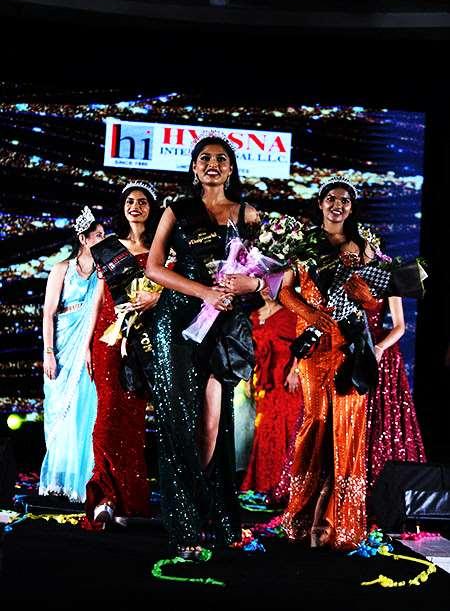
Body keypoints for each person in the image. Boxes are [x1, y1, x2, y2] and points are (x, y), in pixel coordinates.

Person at [146, 135, 261, 559]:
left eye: (221, 159)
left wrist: (250, 283)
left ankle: (214, 511)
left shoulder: (247, 213)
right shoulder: (177, 209)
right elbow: (153, 267)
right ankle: (186, 526)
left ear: (231, 168)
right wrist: (203, 291)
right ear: (194, 167)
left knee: (214, 423)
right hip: (177, 320)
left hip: (222, 323)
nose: (213, 164)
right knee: (178, 419)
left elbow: (269, 277)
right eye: (205, 158)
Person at [278, 176, 380, 551]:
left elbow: (374, 303)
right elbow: (282, 290)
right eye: (331, 199)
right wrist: (309, 313)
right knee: (317, 421)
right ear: (320, 204)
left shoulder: (363, 247)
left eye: (345, 201)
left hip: (350, 345)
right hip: (316, 343)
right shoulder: (304, 244)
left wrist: (364, 294)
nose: (338, 205)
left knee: (347, 426)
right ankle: (304, 514)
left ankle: (337, 520)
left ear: (351, 208)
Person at [82, 181, 161, 529]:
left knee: (131, 419)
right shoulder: (109, 248)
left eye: (142, 202)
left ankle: (129, 499)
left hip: (142, 339)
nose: (135, 206)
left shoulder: (162, 250)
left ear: (152, 209)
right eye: (130, 201)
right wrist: (87, 344)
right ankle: (104, 496)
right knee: (105, 417)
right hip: (108, 337)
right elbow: (99, 297)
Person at [40, 206, 104, 502]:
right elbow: (49, 313)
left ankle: (83, 480)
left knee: (85, 408)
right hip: (64, 343)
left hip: (89, 345)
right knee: (62, 410)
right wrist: (49, 352)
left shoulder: (103, 273)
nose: (102, 239)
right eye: (98, 235)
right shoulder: (62, 269)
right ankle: (60, 478)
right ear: (83, 238)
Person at [240, 286, 302, 495]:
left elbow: (304, 344)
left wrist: (295, 371)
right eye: (263, 285)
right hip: (264, 381)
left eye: (272, 285)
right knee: (265, 429)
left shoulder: (291, 315)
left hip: (286, 381)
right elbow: (250, 352)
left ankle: (284, 485)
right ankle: (264, 483)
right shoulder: (253, 316)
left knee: (285, 429)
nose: (267, 289)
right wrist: (249, 378)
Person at [366, 296, 426, 488]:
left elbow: (400, 326)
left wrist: (379, 348)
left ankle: (377, 475)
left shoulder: (390, 283)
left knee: (380, 416)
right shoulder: (348, 280)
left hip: (379, 351)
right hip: (353, 347)